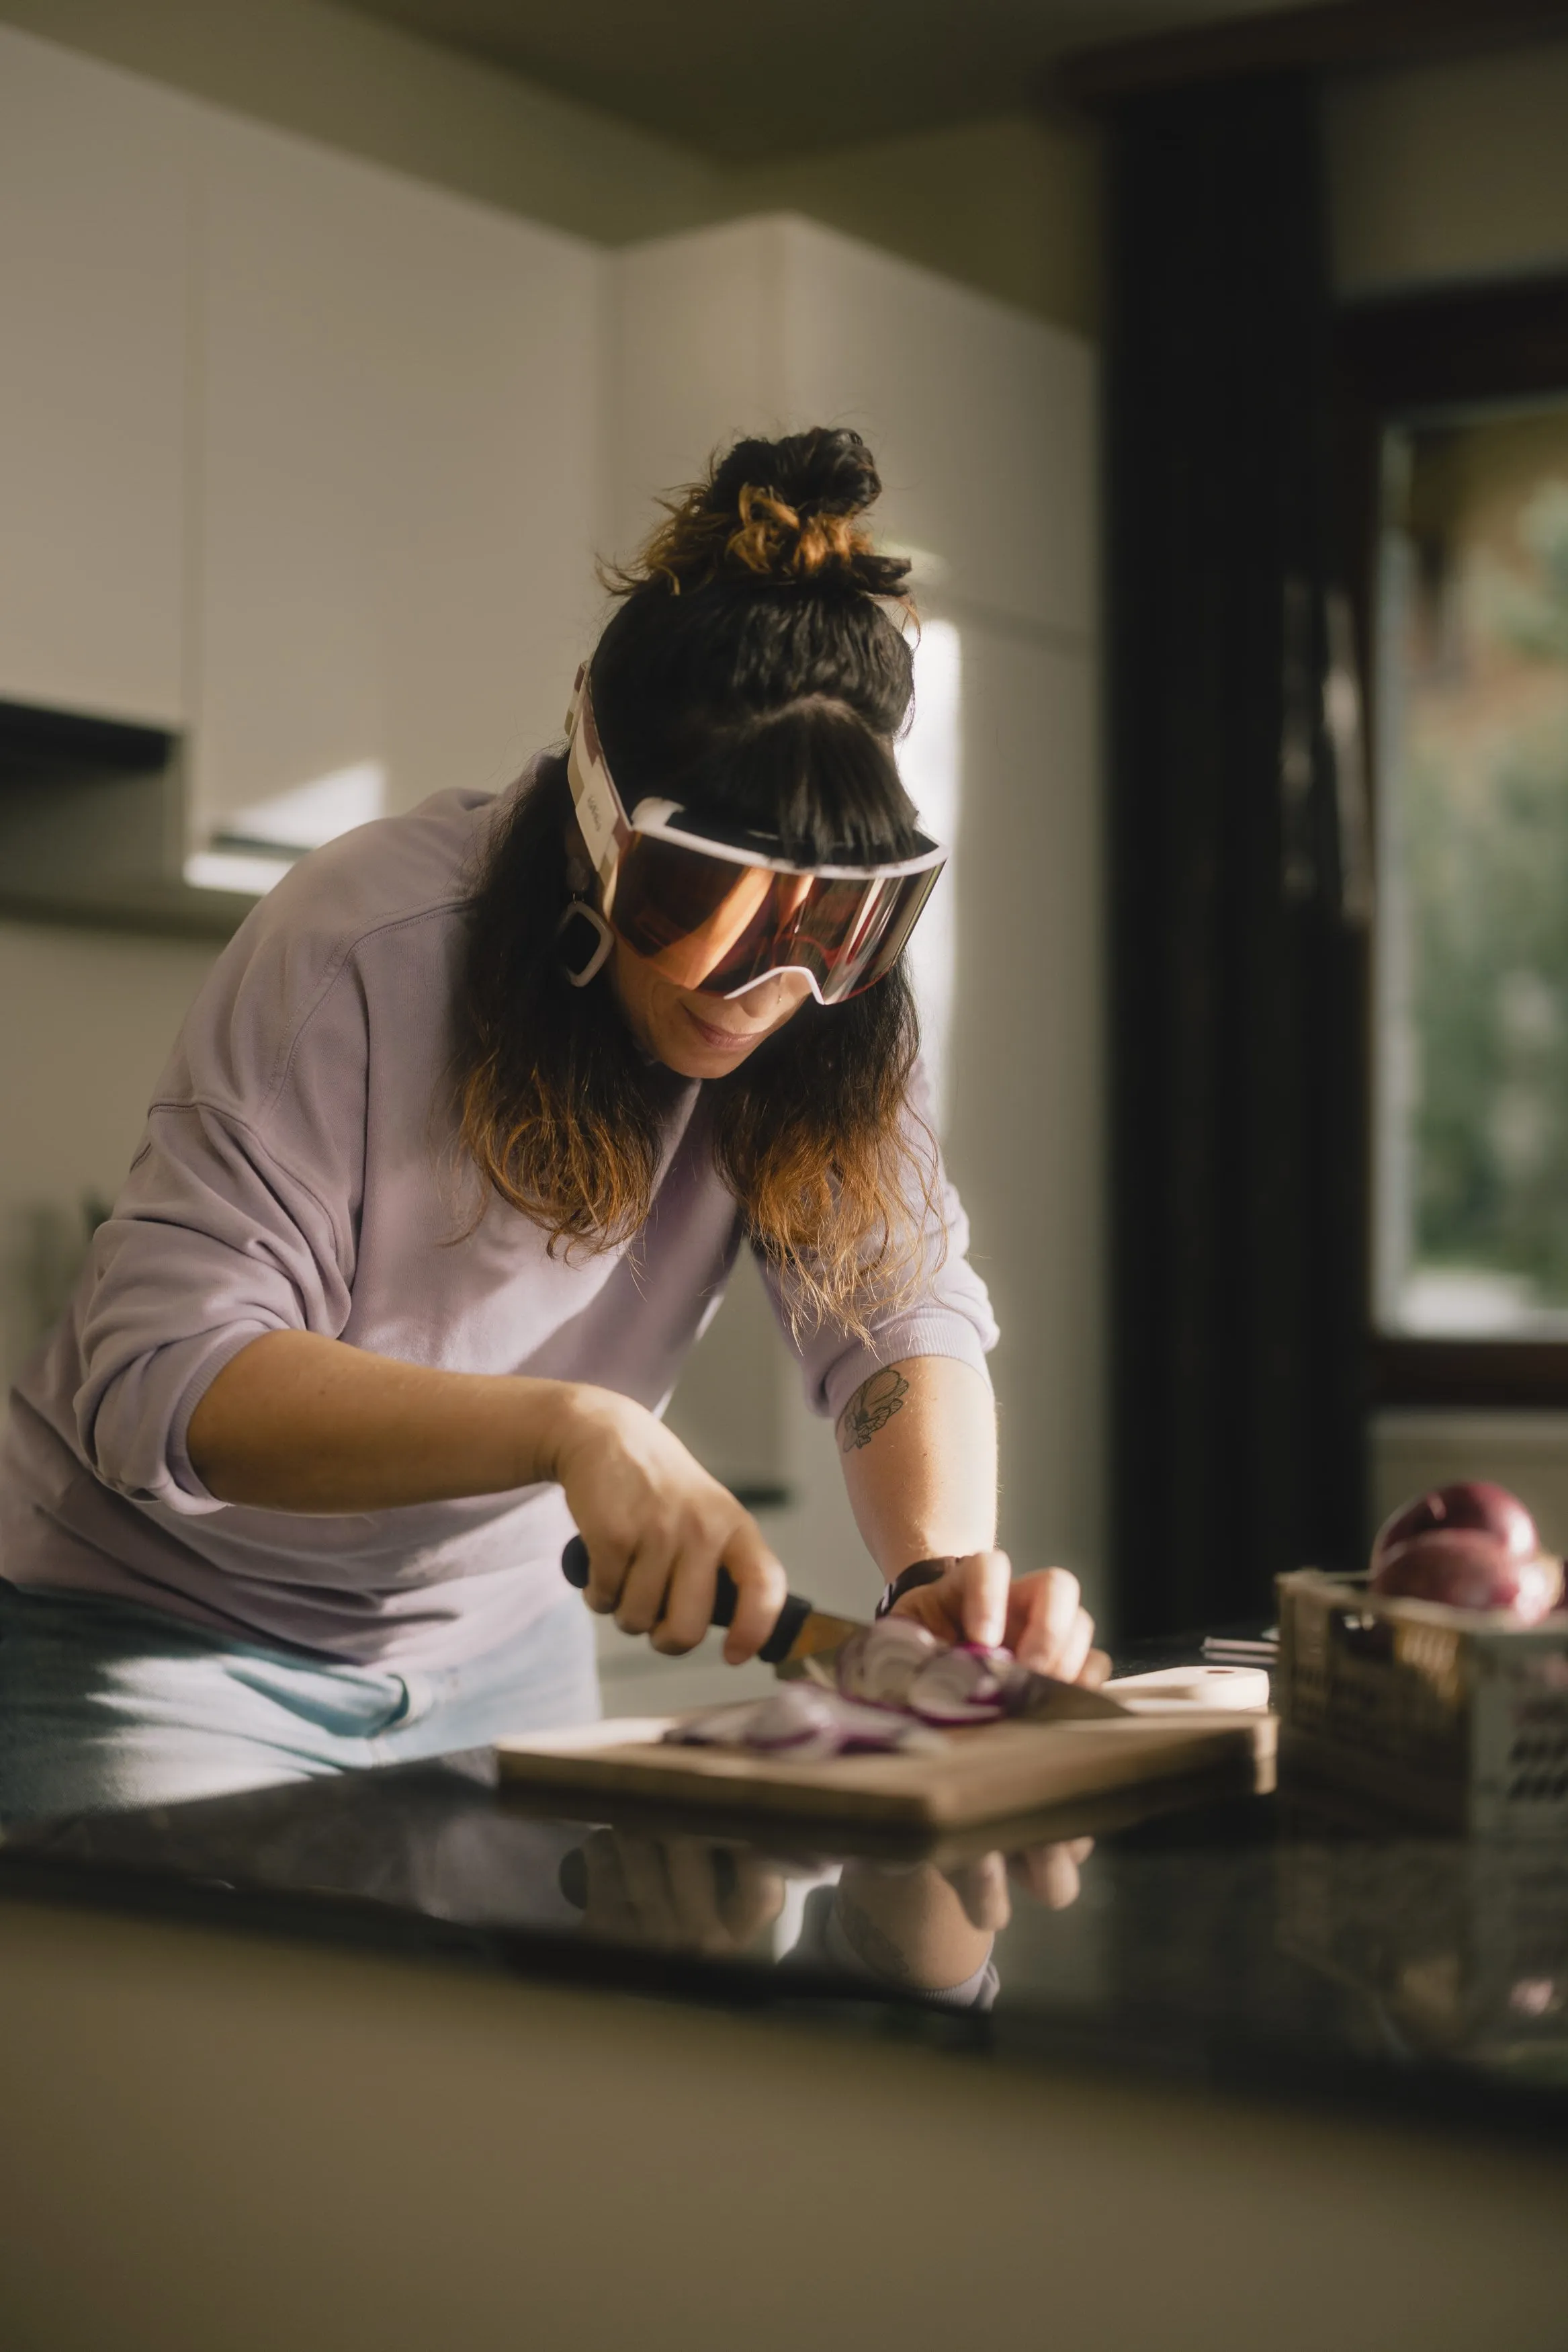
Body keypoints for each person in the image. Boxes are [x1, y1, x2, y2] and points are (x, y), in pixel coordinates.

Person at [0, 427, 1102, 1821]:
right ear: (598, 815)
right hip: (161, 1639)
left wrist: (936, 1578)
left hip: (500, 1654)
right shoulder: (365, 940)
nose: (763, 987)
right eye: (700, 898)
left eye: (830, 918)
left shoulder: (827, 1003)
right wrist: (574, 1428)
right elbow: (162, 1378)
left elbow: (898, 1313)